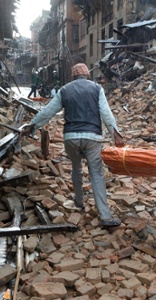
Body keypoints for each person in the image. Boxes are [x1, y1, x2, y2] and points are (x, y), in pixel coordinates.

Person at [22, 63, 125, 228]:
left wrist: (32, 126)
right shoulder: (97, 88)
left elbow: (48, 112)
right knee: (96, 174)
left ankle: (78, 202)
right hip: (92, 137)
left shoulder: (64, 90)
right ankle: (105, 217)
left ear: (73, 76)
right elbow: (106, 112)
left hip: (70, 138)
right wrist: (115, 134)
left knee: (76, 169)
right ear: (87, 75)